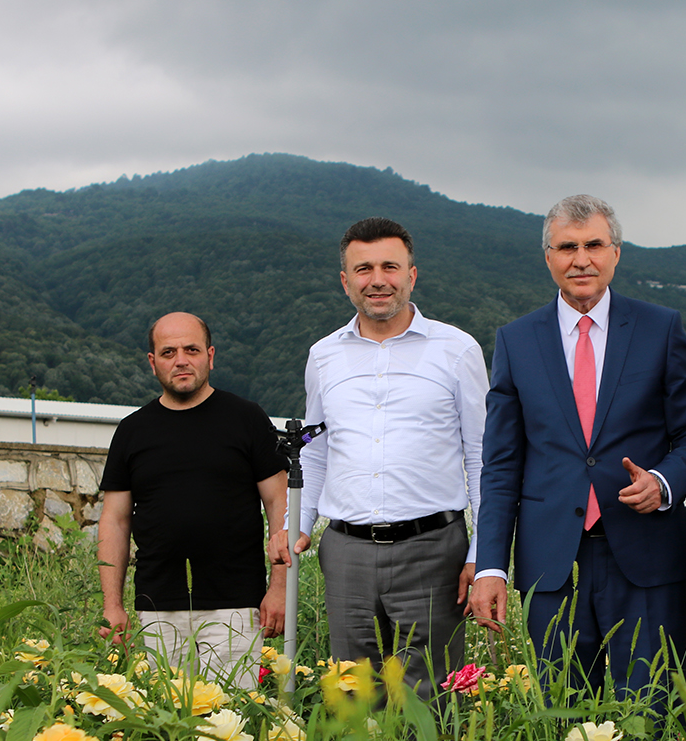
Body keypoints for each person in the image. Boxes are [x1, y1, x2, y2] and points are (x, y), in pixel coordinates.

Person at [470, 194, 686, 700]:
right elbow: (501, 464)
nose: (581, 259)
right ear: (548, 257)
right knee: (560, 711)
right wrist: (491, 564)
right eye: (567, 247)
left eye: (594, 245)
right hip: (551, 563)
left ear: (616, 253)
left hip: (645, 556)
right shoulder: (516, 341)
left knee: (650, 710)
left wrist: (664, 482)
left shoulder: (660, 328)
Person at [292, 217, 487, 699]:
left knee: (430, 699)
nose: (377, 279)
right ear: (345, 281)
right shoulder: (323, 356)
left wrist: (482, 554)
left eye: (389, 267)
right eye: (363, 269)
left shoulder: (458, 350)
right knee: (354, 694)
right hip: (346, 552)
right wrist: (297, 523)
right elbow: (315, 450)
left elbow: (483, 456)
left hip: (434, 549)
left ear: (412, 275)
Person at [98, 311, 289, 689]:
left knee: (232, 720)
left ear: (210, 356)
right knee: (163, 722)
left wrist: (279, 588)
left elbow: (281, 507)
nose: (181, 360)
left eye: (191, 349)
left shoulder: (246, 418)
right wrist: (112, 605)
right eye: (168, 352)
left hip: (236, 604)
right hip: (157, 605)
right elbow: (114, 521)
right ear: (153, 362)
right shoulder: (132, 431)